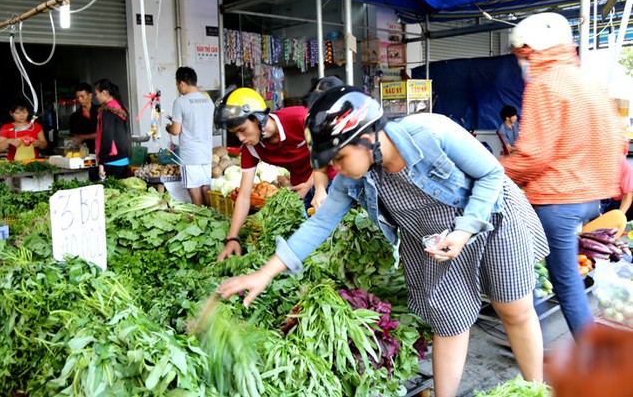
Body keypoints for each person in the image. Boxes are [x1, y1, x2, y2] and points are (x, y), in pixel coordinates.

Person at [219, 87, 549, 397]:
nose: (336, 168)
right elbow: (319, 223)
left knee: (513, 309)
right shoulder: (354, 179)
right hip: (433, 237)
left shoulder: (431, 131)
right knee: (449, 319)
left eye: (339, 158)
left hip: (491, 214)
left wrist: (464, 230)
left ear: (366, 138)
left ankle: (535, 389)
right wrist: (264, 274)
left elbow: (491, 174)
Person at [501, 12, 623, 337]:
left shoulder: (545, 83)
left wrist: (496, 172)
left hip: (558, 202)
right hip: (591, 199)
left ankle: (592, 363)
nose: (521, 62)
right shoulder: (586, 81)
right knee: (553, 273)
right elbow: (617, 139)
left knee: (560, 283)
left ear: (533, 50)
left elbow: (534, 154)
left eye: (521, 55)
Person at [214, 87, 334, 261]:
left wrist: (311, 185)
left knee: (333, 239)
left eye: (242, 129)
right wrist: (232, 237)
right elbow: (244, 196)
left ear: (257, 118)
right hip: (300, 190)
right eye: (235, 134)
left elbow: (327, 150)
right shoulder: (251, 148)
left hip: (330, 181)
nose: (240, 138)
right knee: (310, 248)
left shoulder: (300, 119)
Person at [165, 67, 214, 206]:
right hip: (206, 153)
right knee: (206, 188)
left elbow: (175, 130)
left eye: (177, 84)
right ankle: (213, 218)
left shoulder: (180, 102)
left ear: (181, 83)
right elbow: (209, 124)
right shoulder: (207, 100)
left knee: (194, 191)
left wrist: (168, 127)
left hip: (190, 155)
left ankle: (200, 221)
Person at [94, 79, 131, 179]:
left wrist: (101, 162)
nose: (96, 97)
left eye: (97, 94)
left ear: (104, 93)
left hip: (112, 161)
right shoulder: (120, 108)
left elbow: (107, 136)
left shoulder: (107, 111)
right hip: (124, 159)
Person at [69, 82, 99, 150]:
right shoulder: (74, 117)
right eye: (77, 97)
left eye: (82, 96)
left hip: (104, 152)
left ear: (90, 96)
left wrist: (83, 137)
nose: (79, 99)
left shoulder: (100, 111)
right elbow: (76, 138)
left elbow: (104, 132)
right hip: (86, 153)